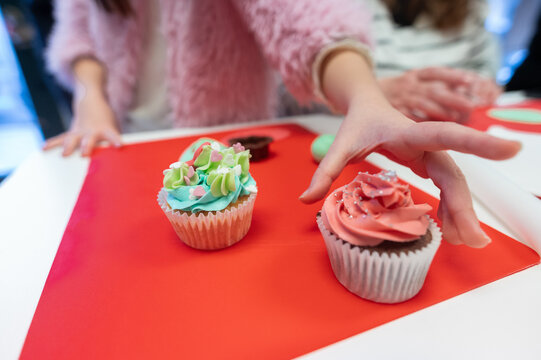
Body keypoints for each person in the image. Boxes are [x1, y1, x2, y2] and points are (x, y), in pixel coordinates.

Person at [43, 0, 520, 249]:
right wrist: (90, 94)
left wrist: (365, 96)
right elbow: (78, 25)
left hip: (226, 131)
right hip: (125, 136)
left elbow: (306, 21)